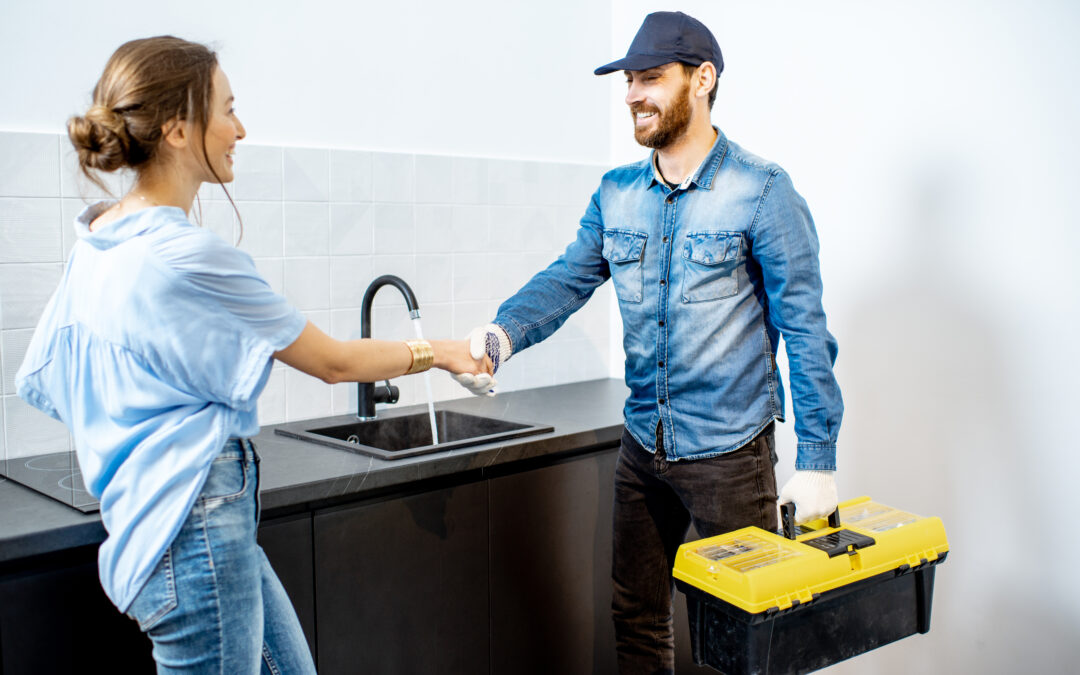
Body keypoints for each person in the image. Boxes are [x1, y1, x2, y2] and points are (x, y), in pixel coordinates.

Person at [15, 35, 489, 674]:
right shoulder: (191, 257)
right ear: (179, 129)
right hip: (195, 526)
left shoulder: (98, 241)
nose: (241, 127)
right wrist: (446, 352)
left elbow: (48, 377)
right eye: (227, 109)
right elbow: (336, 363)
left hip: (158, 521)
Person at [453, 11, 844, 674]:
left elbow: (806, 331)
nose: (633, 92)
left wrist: (818, 458)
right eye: (629, 79)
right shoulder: (616, 194)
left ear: (703, 79)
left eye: (650, 77)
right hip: (643, 450)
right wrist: (502, 333)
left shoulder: (763, 192)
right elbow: (567, 279)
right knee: (636, 621)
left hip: (731, 456)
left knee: (743, 641)